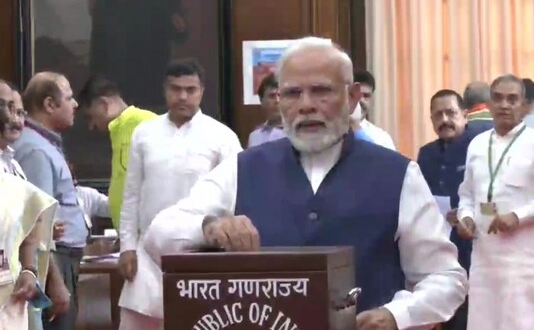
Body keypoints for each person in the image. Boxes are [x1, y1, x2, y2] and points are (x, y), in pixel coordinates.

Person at [144, 37, 467, 329]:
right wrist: (210, 227)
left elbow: (445, 278)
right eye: (293, 93)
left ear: (352, 97)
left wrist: (398, 314)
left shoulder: (398, 174)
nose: (306, 104)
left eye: (321, 90)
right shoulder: (243, 168)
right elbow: (160, 234)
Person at [118, 59, 242, 329]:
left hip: (202, 253)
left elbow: (236, 199)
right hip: (147, 255)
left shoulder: (222, 137)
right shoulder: (144, 134)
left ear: (202, 91)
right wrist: (126, 247)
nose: (183, 96)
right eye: (176, 89)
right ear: (165, 90)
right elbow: (132, 195)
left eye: (190, 89)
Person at [457, 74, 534, 330]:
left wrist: (518, 216)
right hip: (483, 260)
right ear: (489, 104)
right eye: (498, 98)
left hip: (521, 263)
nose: (505, 105)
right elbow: (467, 194)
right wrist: (465, 217)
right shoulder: (477, 144)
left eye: (512, 99)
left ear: (524, 105)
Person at [13, 72, 86, 330]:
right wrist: (54, 281)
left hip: (65, 258)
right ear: (49, 104)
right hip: (54, 262)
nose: (75, 104)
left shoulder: (47, 144)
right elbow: (39, 223)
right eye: (68, 98)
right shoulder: (35, 150)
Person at [417, 89, 492, 330]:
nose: (445, 120)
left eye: (450, 113)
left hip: (477, 246)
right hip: (439, 248)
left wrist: (468, 214)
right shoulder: (426, 154)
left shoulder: (481, 148)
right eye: (438, 115)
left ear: (465, 115)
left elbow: (495, 198)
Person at [0, 81, 65, 330]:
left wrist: (29, 270)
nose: (16, 119)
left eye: (20, 112)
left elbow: (31, 222)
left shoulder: (13, 167)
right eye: (7, 108)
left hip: (13, 291)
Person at [77, 0, 187, 108]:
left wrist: (175, 13)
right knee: (114, 88)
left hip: (152, 22)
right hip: (114, 20)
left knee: (151, 91)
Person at [77, 75, 156, 230]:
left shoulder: (148, 124)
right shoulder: (117, 131)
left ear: (104, 104)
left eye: (90, 117)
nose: (91, 126)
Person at [353, 70, 396, 149]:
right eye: (357, 94)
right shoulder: (332, 134)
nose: (361, 100)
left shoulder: (381, 139)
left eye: (366, 96)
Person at [247, 73, 285, 147]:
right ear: (262, 101)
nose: (277, 100)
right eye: (272, 96)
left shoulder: (298, 134)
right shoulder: (255, 136)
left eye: (281, 95)